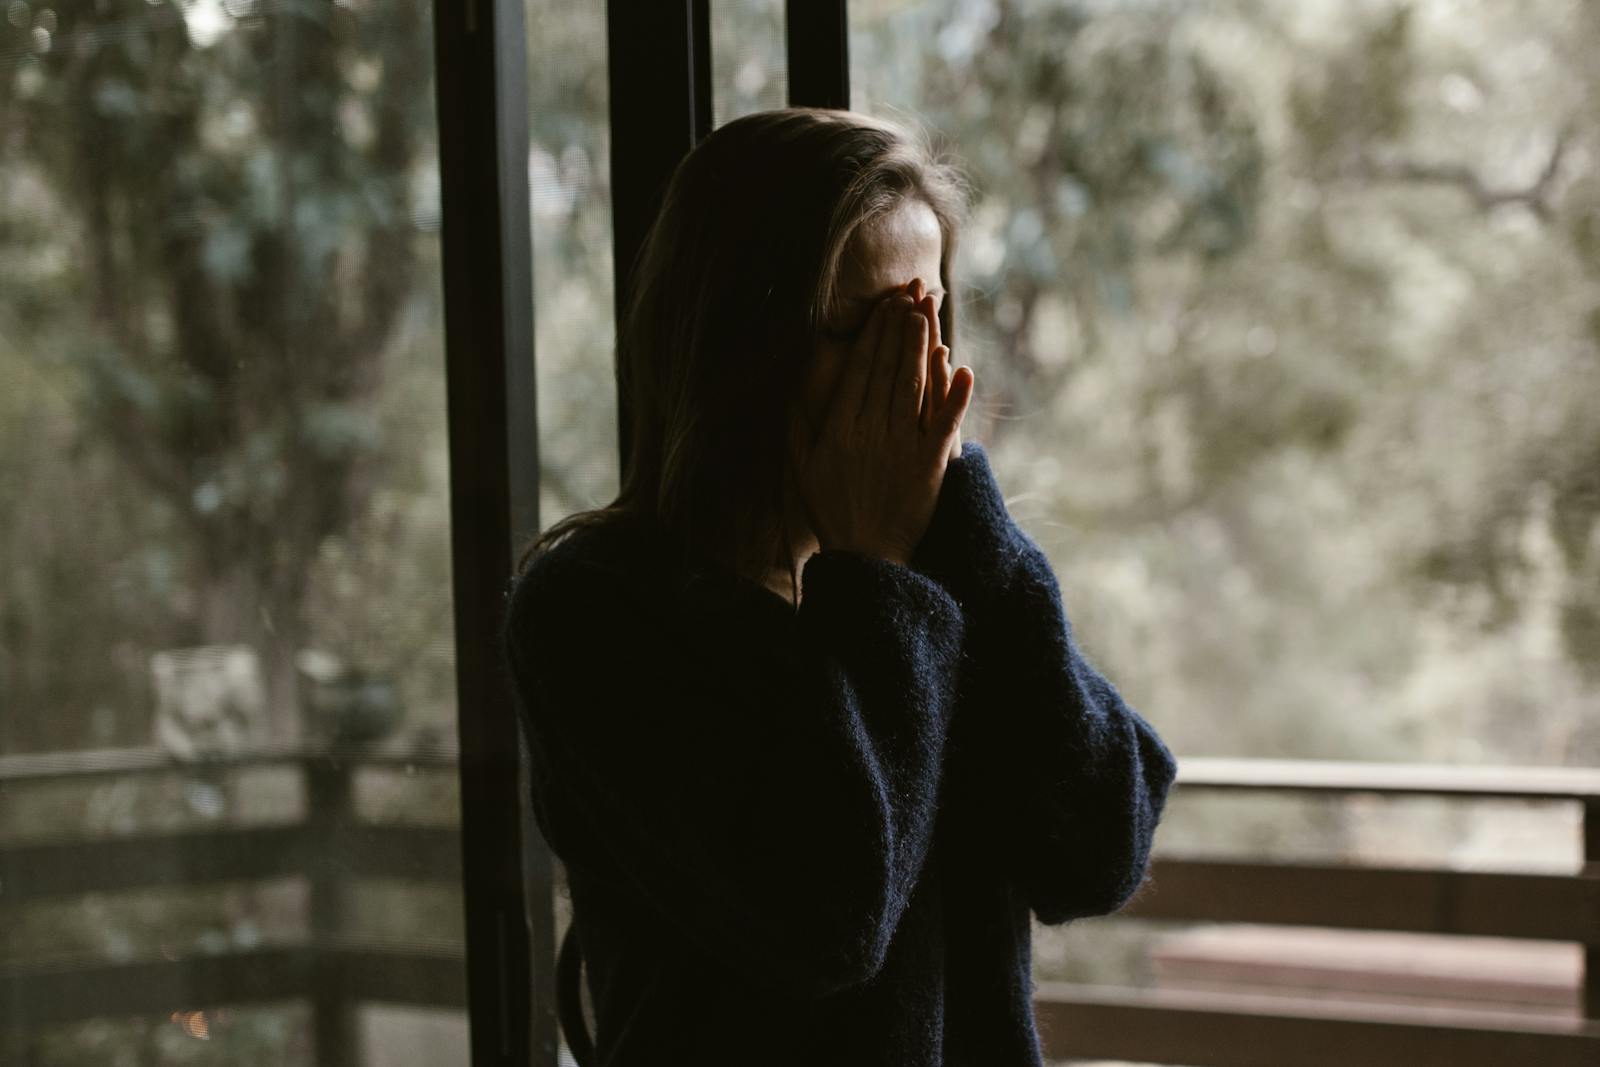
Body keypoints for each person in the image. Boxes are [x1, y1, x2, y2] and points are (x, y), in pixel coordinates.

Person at [500, 107, 1179, 1067]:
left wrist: (965, 527)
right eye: (860, 329)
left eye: (927, 318)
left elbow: (1101, 847)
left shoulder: (945, 578)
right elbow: (826, 912)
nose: (905, 372)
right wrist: (878, 571)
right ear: (735, 344)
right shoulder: (595, 612)